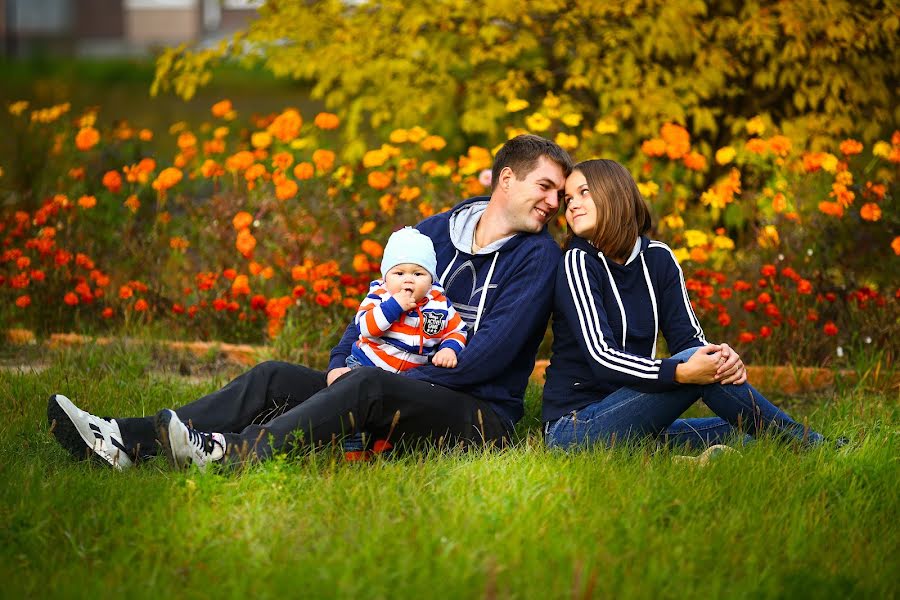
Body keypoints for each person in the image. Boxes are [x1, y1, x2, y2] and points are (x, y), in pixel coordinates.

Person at [47, 134, 573, 470]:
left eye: (560, 196)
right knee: (275, 375)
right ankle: (125, 440)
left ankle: (234, 453)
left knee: (367, 385)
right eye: (546, 188)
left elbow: (495, 353)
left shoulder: (538, 258)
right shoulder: (433, 233)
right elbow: (372, 306)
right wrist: (338, 368)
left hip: (479, 418)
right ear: (507, 178)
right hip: (389, 388)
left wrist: (384, 382)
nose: (554, 204)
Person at [542, 159, 828, 451]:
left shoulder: (658, 258)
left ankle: (798, 443)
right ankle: (817, 448)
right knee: (704, 371)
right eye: (568, 199)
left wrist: (720, 359)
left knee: (746, 433)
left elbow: (689, 341)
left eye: (584, 192)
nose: (572, 205)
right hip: (575, 429)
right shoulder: (577, 262)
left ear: (614, 193)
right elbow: (602, 357)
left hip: (633, 417)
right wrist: (680, 372)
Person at [347, 226, 466, 373]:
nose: (408, 280)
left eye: (418, 274)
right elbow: (365, 329)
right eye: (399, 273)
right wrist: (393, 306)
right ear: (386, 278)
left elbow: (457, 330)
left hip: (408, 378)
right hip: (366, 364)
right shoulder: (380, 296)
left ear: (431, 280)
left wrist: (449, 349)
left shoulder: (439, 304)